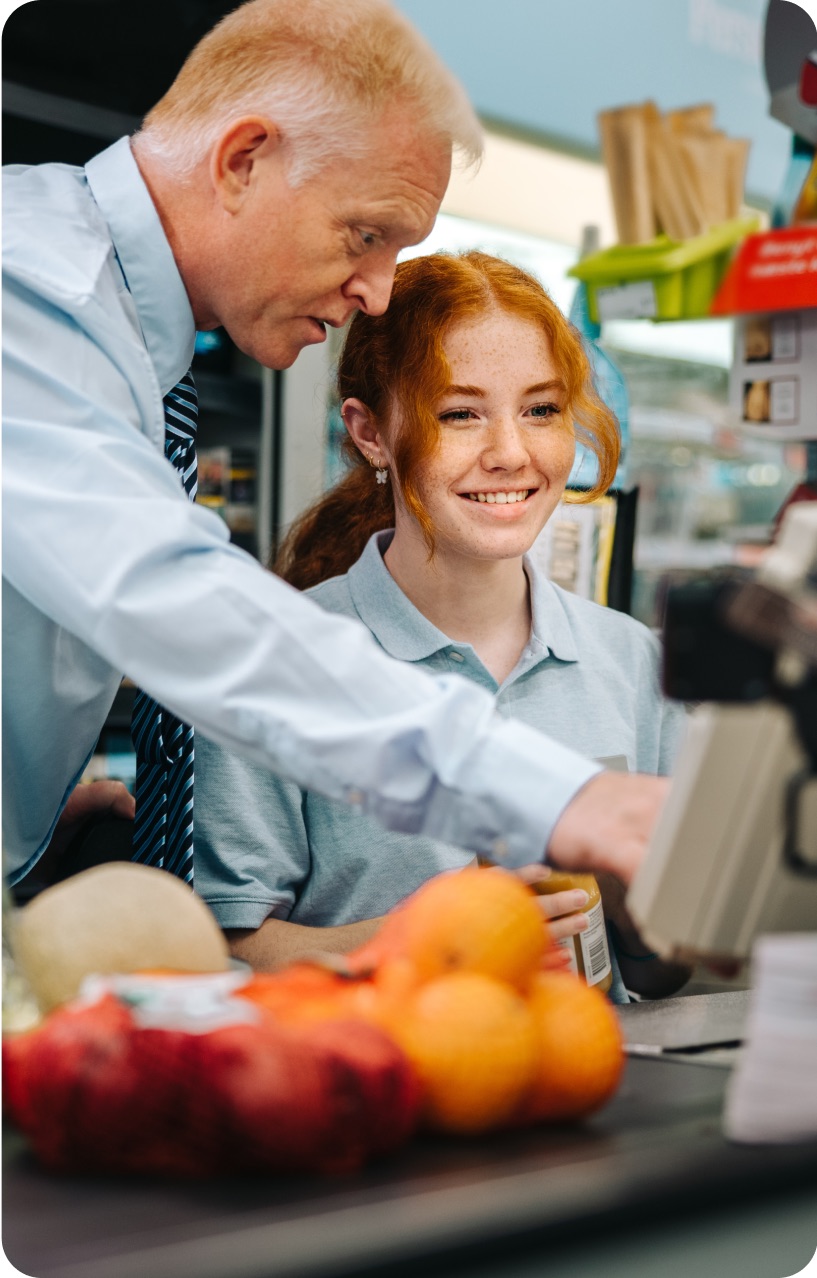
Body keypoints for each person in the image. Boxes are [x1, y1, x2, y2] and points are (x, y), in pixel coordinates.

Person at [3, 0, 669, 904]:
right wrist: (557, 799)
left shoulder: (123, 343)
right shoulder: (30, 287)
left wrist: (25, 815)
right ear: (243, 160)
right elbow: (172, 602)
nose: (378, 290)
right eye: (366, 235)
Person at [194, 251, 691, 999]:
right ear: (370, 434)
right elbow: (220, 956)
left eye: (542, 410)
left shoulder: (633, 662)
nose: (510, 454)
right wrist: (425, 932)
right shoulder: (274, 662)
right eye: (458, 414)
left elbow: (659, 976)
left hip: (587, 1091)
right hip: (376, 1094)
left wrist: (632, 907)